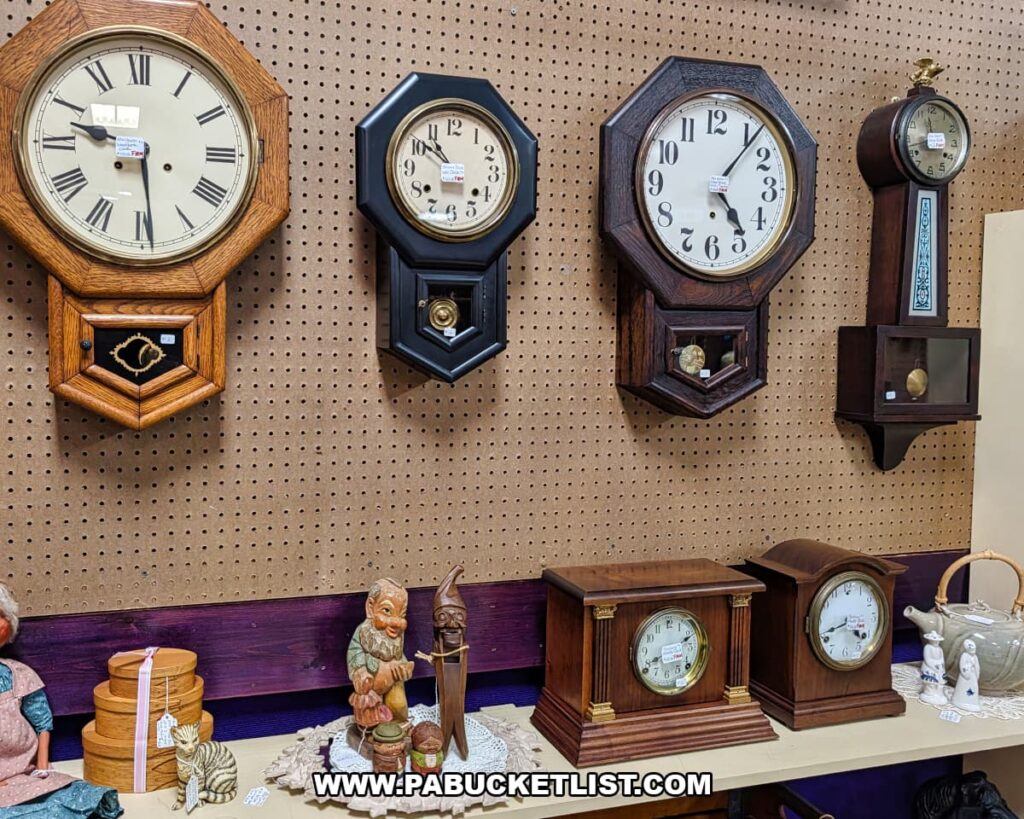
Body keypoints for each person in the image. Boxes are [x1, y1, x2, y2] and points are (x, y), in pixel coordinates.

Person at [0, 581, 121, 817]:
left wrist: (42, 767)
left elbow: (42, 723)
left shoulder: (18, 675)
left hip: (25, 774)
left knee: (74, 797)